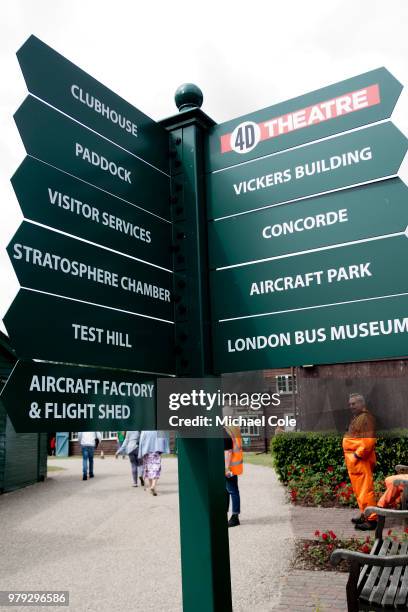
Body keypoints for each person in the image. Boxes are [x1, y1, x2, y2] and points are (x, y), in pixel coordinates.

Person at [343, 393, 377, 531]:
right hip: (355, 462)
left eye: (354, 403)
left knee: (365, 491)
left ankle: (372, 520)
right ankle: (365, 514)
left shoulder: (366, 418)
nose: (351, 406)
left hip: (360, 461)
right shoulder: (358, 417)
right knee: (359, 491)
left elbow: (369, 441)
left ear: (362, 404)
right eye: (350, 404)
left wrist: (357, 455)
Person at [138, 431, 170, 496]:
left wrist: (140, 453)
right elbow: (165, 440)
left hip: (146, 452)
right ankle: (153, 486)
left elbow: (141, 442)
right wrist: (166, 450)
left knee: (149, 470)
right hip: (156, 452)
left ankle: (151, 487)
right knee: (156, 469)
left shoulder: (145, 431)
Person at [224, 425, 243, 528]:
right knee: (227, 491)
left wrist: (226, 468)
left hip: (229, 467)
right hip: (233, 466)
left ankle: (235, 517)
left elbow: (228, 451)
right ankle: (230, 515)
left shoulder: (225, 432)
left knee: (232, 491)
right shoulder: (233, 429)